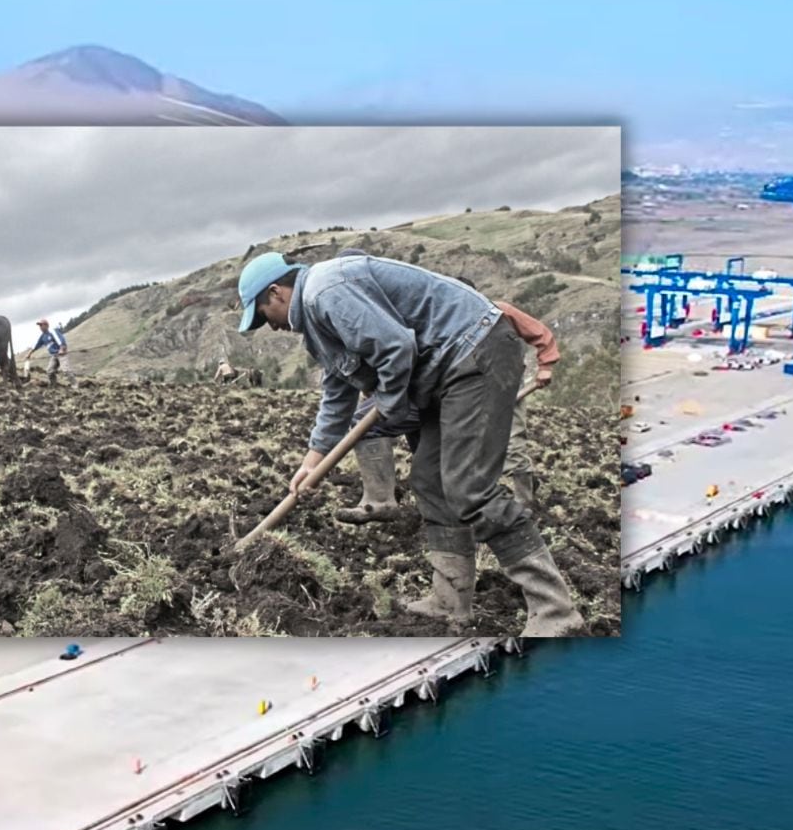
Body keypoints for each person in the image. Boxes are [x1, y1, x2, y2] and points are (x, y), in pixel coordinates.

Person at [237, 250, 584, 637]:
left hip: (474, 352)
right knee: (429, 480)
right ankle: (450, 601)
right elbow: (338, 392)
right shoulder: (318, 322)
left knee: (470, 488)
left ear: (276, 292)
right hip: (443, 372)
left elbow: (395, 348)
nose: (269, 327)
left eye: (262, 316)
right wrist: (312, 460)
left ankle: (556, 614)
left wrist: (386, 402)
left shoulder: (326, 292)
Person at [340, 299, 553, 522]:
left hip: (500, 377)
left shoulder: (494, 310)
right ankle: (422, 498)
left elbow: (539, 332)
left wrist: (546, 365)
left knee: (512, 440)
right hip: (445, 385)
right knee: (426, 434)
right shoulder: (432, 319)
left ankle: (522, 501)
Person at [23, 319, 69, 385]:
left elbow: (61, 340)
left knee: (66, 371)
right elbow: (36, 345)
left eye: (41, 325)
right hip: (54, 356)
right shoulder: (42, 337)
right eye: (39, 326)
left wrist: (61, 349)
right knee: (49, 371)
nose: (40, 327)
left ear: (46, 325)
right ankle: (54, 385)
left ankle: (75, 386)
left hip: (61, 354)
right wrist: (29, 353)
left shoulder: (52, 332)